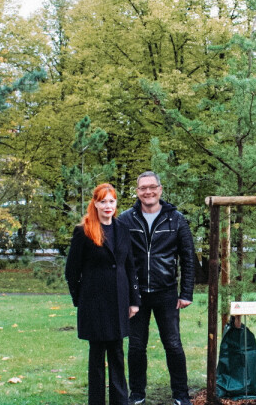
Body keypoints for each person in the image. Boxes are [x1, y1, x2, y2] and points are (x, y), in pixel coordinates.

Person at [118, 171, 196, 405]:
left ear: (160, 189)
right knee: (136, 347)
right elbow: (119, 258)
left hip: (167, 292)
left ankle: (181, 395)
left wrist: (187, 292)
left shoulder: (176, 219)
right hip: (136, 294)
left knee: (173, 345)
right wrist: (124, 293)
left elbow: (188, 257)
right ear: (137, 191)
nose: (148, 192)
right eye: (143, 188)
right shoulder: (126, 219)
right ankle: (137, 394)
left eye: (152, 187)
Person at [65, 183, 141, 405]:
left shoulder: (123, 229)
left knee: (117, 354)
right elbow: (71, 271)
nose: (107, 206)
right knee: (97, 356)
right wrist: (81, 299)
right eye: (103, 201)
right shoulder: (84, 231)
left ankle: (120, 401)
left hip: (119, 302)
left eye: (111, 201)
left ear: (116, 203)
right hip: (94, 304)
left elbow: (130, 268)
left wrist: (134, 301)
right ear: (95, 203)